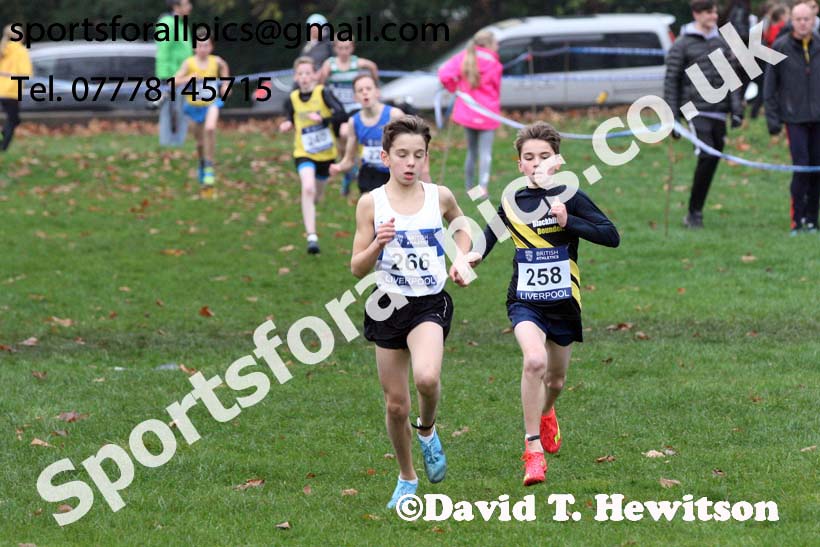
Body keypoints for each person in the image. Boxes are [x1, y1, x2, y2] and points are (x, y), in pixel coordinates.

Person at [456, 121, 620, 486]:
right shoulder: (513, 200)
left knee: (557, 379)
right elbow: (487, 240)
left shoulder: (570, 194)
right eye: (528, 158)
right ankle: (533, 451)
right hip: (524, 301)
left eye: (544, 156)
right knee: (534, 361)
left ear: (557, 160)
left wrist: (569, 220)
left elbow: (612, 236)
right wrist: (468, 260)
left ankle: (547, 411)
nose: (536, 163)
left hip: (564, 301)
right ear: (519, 165)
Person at [350, 115, 471, 509]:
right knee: (396, 404)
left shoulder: (440, 196)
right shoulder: (371, 203)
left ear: (425, 158)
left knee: (427, 378)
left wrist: (463, 256)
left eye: (418, 155)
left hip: (429, 302)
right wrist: (377, 245)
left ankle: (428, 431)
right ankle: (406, 476)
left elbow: (461, 224)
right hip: (387, 305)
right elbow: (357, 267)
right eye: (402, 154)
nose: (410, 163)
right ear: (385, 157)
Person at [664, 0, 744, 229]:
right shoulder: (682, 44)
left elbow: (731, 78)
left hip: (718, 110)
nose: (714, 15)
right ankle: (694, 212)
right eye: (709, 12)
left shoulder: (719, 41)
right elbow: (671, 81)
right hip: (693, 108)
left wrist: (737, 110)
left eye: (715, 11)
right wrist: (672, 118)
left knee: (714, 156)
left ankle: (695, 209)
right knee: (707, 154)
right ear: (697, 14)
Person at [279, 56, 347, 254]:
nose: (304, 77)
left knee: (316, 195)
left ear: (315, 75)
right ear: (296, 77)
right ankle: (312, 237)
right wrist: (287, 124)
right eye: (300, 74)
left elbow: (341, 113)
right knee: (307, 187)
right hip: (303, 152)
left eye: (308, 73)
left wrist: (324, 119)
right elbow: (289, 117)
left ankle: (310, 209)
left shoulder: (323, 93)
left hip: (326, 154)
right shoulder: (292, 98)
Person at [765, 1, 820, 234]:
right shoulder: (780, 47)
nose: (803, 23)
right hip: (794, 118)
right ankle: (796, 219)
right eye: (799, 19)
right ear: (792, 21)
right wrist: (773, 119)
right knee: (801, 168)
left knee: (816, 170)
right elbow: (769, 87)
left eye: (807, 19)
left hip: (817, 118)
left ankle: (811, 219)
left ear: (814, 20)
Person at [438, 29, 503, 200]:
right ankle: (482, 189)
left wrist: (454, 89)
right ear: (488, 44)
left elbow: (444, 73)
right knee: (485, 152)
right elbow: (496, 88)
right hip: (487, 113)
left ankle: (469, 187)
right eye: (496, 43)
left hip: (467, 112)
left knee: (472, 152)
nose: (498, 46)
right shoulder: (495, 64)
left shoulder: (463, 57)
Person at [330, 74, 410, 195]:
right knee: (367, 209)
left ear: (377, 92)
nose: (365, 93)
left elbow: (412, 144)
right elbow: (349, 159)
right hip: (369, 174)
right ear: (355, 97)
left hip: (393, 173)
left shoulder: (395, 115)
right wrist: (339, 167)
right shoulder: (354, 122)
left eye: (368, 89)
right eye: (360, 90)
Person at [174, 29, 230, 198]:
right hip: (193, 107)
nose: (203, 48)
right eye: (200, 45)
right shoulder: (189, 63)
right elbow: (174, 81)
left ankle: (209, 167)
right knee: (199, 144)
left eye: (206, 45)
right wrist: (188, 79)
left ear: (211, 47)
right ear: (194, 47)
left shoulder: (216, 62)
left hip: (211, 104)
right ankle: (202, 162)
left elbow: (225, 69)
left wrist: (225, 86)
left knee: (210, 129)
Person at [320, 39, 379, 196]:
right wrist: (324, 94)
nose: (344, 51)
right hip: (338, 109)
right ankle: (349, 174)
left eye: (347, 48)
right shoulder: (330, 64)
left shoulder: (356, 63)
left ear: (352, 48)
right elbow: (320, 82)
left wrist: (375, 85)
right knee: (341, 148)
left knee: (347, 133)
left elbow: (372, 66)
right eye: (340, 48)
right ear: (335, 49)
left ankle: (354, 168)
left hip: (354, 108)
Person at [155, 0, 193, 147]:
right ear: (176, 7)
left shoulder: (181, 24)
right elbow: (163, 52)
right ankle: (167, 144)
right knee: (169, 112)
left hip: (183, 77)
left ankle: (178, 144)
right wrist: (165, 78)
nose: (190, 7)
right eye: (186, 4)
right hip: (171, 77)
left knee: (182, 111)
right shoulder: (168, 23)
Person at [751, 3, 789, 119]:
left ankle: (757, 113)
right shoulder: (776, 27)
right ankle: (757, 113)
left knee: (766, 88)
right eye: (788, 14)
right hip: (769, 60)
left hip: (766, 59)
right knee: (767, 88)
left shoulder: (766, 24)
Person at [0, 24, 32, 152]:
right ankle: (3, 146)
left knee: (12, 119)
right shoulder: (21, 51)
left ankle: (3, 142)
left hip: (1, 90)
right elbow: (26, 72)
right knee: (14, 120)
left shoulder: (3, 49)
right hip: (12, 91)